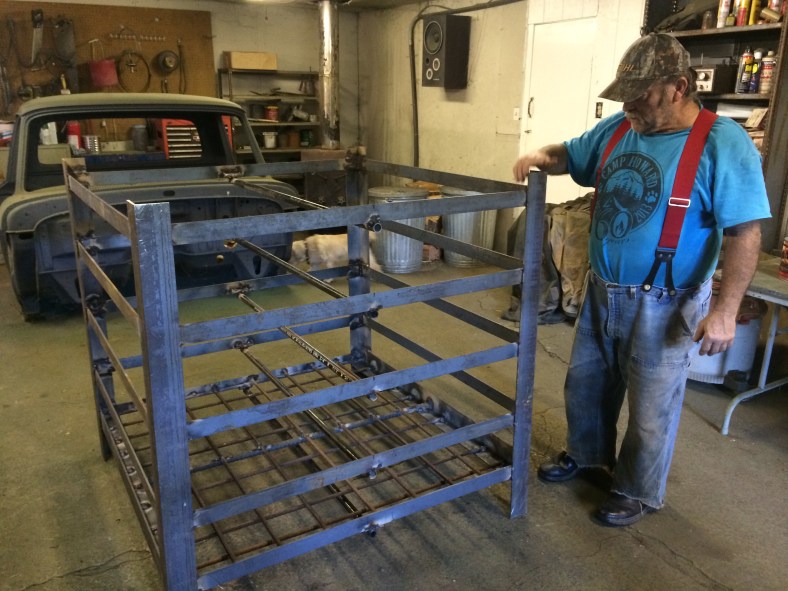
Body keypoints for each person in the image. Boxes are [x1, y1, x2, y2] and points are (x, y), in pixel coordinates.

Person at [513, 33, 771, 527]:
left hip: (668, 300)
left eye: (640, 94)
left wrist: (724, 310)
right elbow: (570, 154)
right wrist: (544, 157)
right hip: (602, 290)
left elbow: (745, 232)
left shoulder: (722, 141)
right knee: (586, 385)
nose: (628, 103)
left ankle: (635, 490)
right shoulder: (619, 128)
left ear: (677, 87)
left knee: (652, 405)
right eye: (625, 93)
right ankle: (589, 456)